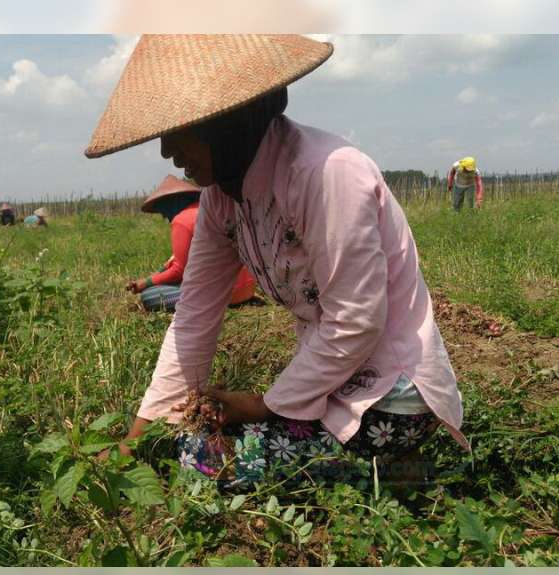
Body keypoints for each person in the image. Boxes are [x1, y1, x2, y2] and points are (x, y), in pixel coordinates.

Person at [86, 35, 468, 487]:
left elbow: (357, 321)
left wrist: (262, 404)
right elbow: (194, 318)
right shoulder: (221, 201)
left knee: (204, 464)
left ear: (228, 121)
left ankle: (409, 471)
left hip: (388, 394)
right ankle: (380, 469)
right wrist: (138, 436)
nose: (169, 152)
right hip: (329, 384)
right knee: (190, 439)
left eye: (180, 130)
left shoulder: (327, 174)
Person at [127, 174, 257, 311]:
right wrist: (150, 278)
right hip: (247, 287)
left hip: (224, 294)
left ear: (173, 201)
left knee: (149, 297)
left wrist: (146, 285)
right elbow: (176, 260)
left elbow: (179, 270)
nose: (164, 215)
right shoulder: (207, 210)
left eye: (162, 208)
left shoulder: (181, 220)